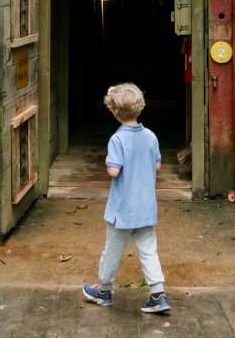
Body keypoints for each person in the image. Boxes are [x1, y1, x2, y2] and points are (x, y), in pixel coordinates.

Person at [82, 83, 171, 314]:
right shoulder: (150, 136)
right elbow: (158, 165)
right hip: (145, 208)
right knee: (149, 249)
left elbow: (114, 171)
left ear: (114, 112)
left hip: (122, 210)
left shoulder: (117, 139)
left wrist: (108, 162)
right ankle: (158, 293)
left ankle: (103, 290)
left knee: (112, 250)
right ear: (140, 107)